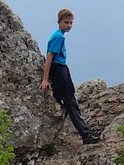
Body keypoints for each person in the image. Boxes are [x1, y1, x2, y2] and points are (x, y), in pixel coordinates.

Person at [40, 8, 98, 143]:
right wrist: (45, 79)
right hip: (59, 71)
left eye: (71, 23)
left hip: (62, 70)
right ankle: (85, 135)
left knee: (71, 102)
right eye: (66, 22)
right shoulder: (58, 37)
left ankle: (86, 131)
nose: (69, 25)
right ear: (59, 21)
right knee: (70, 103)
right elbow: (49, 57)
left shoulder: (57, 35)